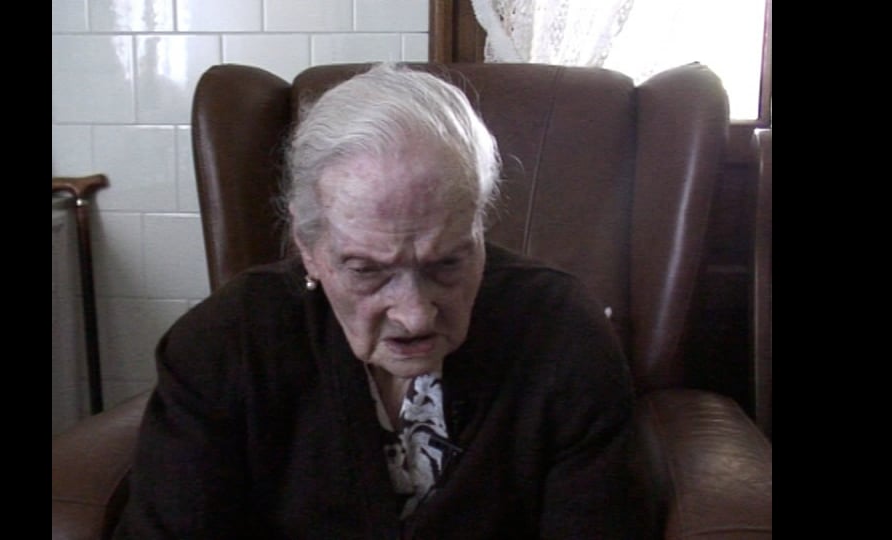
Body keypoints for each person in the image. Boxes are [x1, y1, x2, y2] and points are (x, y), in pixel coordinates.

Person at [113, 62, 637, 539]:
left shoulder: (563, 334)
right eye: (367, 270)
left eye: (446, 264)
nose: (415, 315)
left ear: (477, 226)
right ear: (308, 246)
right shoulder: (224, 346)